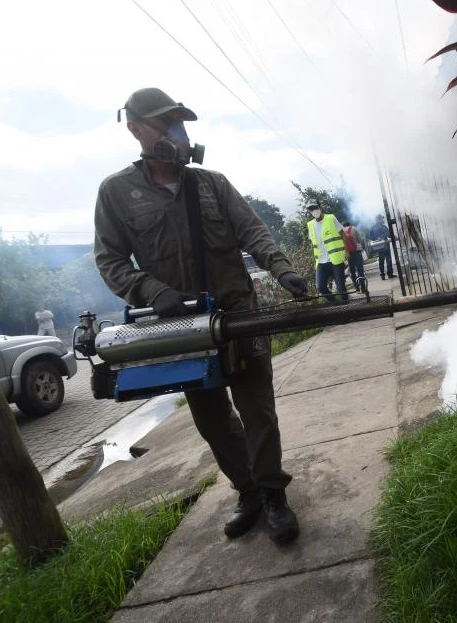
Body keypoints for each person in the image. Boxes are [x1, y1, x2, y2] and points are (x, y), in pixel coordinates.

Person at [94, 87, 308, 544]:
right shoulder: (116, 193)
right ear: (135, 130)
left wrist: (284, 269)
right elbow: (110, 261)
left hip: (239, 314)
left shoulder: (212, 184)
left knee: (257, 411)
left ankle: (273, 493)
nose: (179, 132)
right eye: (166, 123)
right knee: (211, 419)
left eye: (181, 123)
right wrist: (150, 290)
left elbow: (252, 231)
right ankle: (247, 489)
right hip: (182, 328)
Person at [305, 200, 349, 302]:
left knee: (341, 286)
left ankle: (347, 308)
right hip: (321, 261)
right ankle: (336, 305)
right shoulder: (310, 225)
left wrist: (346, 251)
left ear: (320, 207)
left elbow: (342, 234)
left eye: (315, 208)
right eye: (311, 209)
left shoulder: (330, 218)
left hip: (335, 259)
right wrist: (314, 260)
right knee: (320, 287)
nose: (313, 210)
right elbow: (314, 244)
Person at [370, 215, 395, 280]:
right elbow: (389, 234)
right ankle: (389, 274)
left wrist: (376, 239)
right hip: (385, 246)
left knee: (381, 261)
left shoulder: (372, 228)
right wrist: (393, 237)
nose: (382, 220)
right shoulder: (383, 227)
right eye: (381, 219)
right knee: (388, 260)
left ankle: (382, 275)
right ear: (378, 220)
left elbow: (371, 238)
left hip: (379, 247)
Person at [343, 220, 366, 287]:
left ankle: (356, 287)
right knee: (360, 270)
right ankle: (363, 286)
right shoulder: (354, 228)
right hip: (357, 252)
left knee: (352, 271)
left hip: (348, 254)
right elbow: (360, 239)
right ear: (349, 224)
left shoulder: (341, 231)